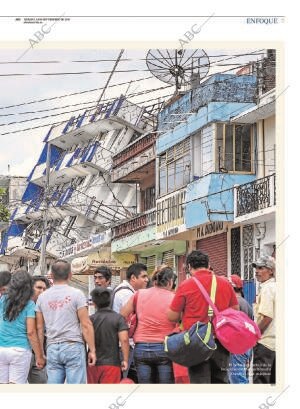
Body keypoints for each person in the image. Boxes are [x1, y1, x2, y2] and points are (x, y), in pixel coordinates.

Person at [167, 250, 239, 384]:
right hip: (221, 342)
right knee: (221, 382)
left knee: (199, 383)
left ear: (189, 267)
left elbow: (171, 316)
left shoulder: (186, 285)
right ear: (208, 264)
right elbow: (235, 311)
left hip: (196, 343)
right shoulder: (225, 284)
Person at [35, 259, 96, 384]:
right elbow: (85, 324)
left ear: (51, 276)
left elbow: (39, 328)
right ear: (70, 275)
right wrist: (92, 350)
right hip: (73, 346)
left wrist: (40, 354)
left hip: (52, 348)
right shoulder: (77, 294)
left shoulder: (42, 297)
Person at [121, 266, 177, 383]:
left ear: (155, 280)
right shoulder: (174, 297)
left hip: (141, 348)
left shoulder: (139, 294)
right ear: (170, 281)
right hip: (164, 347)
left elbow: (122, 314)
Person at [0, 269, 45, 384]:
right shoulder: (29, 304)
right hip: (20, 350)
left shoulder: (3, 299)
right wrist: (39, 356)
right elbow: (31, 332)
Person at [112, 263, 148, 382]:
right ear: (133, 278)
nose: (146, 280)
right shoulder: (126, 294)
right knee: (123, 378)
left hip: (123, 344)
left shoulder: (124, 290)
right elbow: (129, 318)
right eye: (143, 277)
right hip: (123, 345)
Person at [87, 287, 129, 384]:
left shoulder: (90, 320)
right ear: (110, 300)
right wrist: (125, 360)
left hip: (92, 363)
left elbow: (84, 338)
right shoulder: (118, 318)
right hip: (112, 363)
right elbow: (124, 340)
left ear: (94, 303)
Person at [252, 255, 276, 384]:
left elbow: (267, 317)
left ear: (271, 271)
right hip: (274, 345)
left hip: (265, 345)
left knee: (260, 383)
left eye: (261, 268)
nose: (257, 271)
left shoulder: (267, 289)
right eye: (256, 268)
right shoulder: (276, 287)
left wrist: (254, 336)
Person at [228, 274, 253, 384]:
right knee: (243, 378)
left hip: (238, 347)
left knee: (238, 382)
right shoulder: (246, 303)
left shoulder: (235, 303)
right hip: (246, 347)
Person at [27, 275, 50, 384]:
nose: (42, 291)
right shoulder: (22, 306)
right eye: (39, 288)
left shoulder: (46, 309)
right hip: (22, 353)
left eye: (44, 289)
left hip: (38, 356)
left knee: (42, 384)